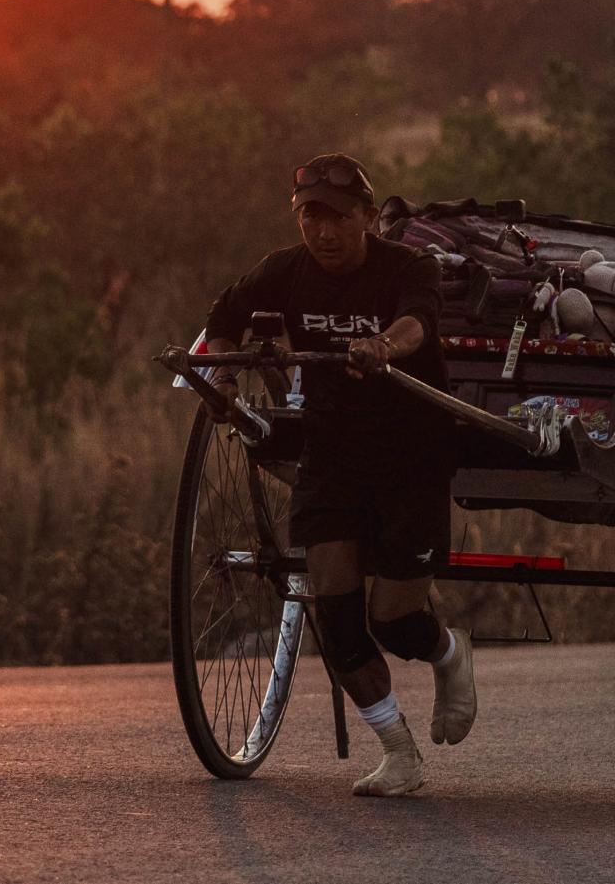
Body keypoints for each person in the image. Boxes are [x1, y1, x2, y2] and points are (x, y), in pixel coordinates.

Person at [199, 152, 476, 798]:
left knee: (395, 618)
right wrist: (222, 371)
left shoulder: (407, 266)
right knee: (338, 614)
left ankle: (448, 653)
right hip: (332, 453)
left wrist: (384, 345)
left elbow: (417, 321)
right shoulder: (285, 270)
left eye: (339, 218)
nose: (323, 233)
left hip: (413, 453)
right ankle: (399, 751)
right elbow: (223, 317)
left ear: (369, 217)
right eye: (309, 217)